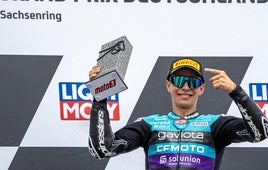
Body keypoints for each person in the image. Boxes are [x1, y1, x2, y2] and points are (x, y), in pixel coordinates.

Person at [88, 57, 268, 170]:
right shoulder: (149, 124)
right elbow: (102, 149)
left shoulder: (216, 124)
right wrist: (99, 96)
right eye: (179, 80)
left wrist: (237, 92)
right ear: (168, 85)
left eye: (193, 82)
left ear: (202, 89)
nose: (185, 87)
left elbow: (261, 132)